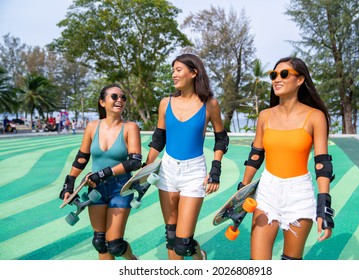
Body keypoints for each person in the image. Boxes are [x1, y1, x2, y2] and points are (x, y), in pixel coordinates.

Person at [239, 57, 335, 260]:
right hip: (267, 191)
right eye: (273, 75)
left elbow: (322, 164)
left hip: (299, 194)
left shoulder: (315, 116)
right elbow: (256, 156)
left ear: (300, 80)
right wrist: (242, 189)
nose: (277, 79)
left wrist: (324, 208)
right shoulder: (265, 116)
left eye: (284, 74)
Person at [145, 53, 229, 260]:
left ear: (194, 73)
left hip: (194, 172)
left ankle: (198, 254)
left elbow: (221, 139)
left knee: (182, 243)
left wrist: (215, 170)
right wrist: (145, 168)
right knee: (172, 237)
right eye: (173, 70)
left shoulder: (210, 104)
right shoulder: (165, 103)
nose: (174, 74)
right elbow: (159, 138)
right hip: (167, 170)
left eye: (178, 70)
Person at [59, 84, 142, 260]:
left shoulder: (130, 127)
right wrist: (69, 183)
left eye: (123, 97)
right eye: (114, 97)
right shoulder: (92, 126)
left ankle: (133, 261)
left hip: (120, 187)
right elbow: (82, 157)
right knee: (100, 242)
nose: (120, 100)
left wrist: (103, 173)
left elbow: (134, 162)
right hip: (95, 188)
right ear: (102, 102)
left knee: (115, 245)